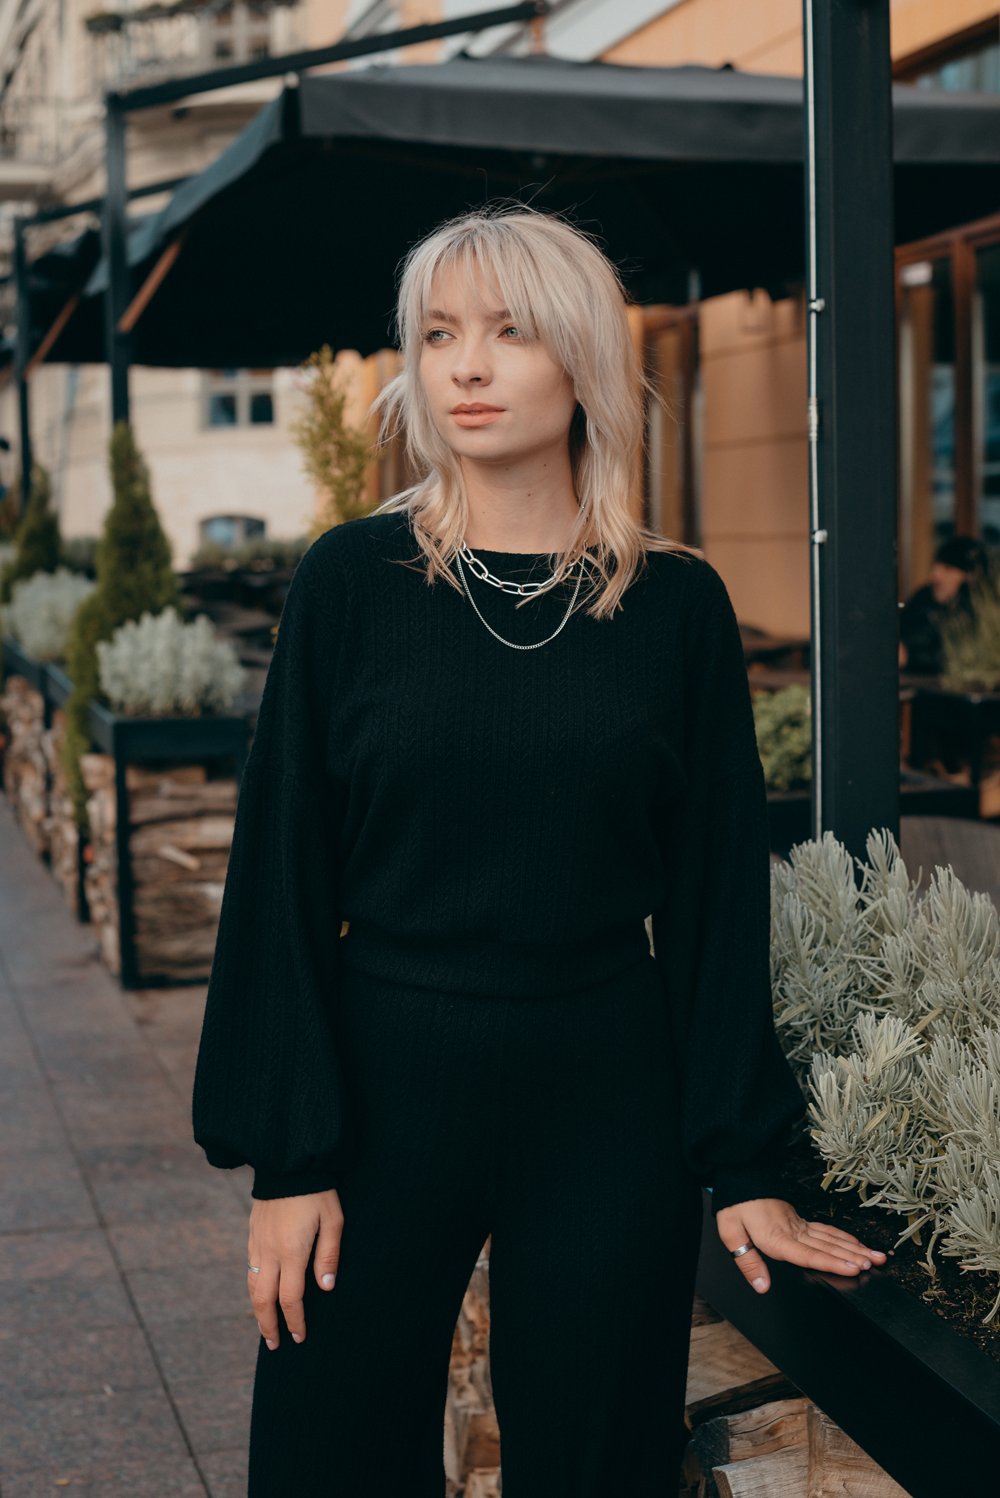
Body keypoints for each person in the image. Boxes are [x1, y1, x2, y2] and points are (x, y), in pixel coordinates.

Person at [193, 207, 885, 1496]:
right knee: (325, 1449)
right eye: (440, 334)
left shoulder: (675, 604)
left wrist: (743, 1160)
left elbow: (715, 891)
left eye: (508, 333)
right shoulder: (351, 582)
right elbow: (278, 869)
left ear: (580, 361)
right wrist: (287, 1159)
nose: (465, 365)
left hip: (604, 1082)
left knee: (597, 1458)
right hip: (384, 1066)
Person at [899, 535, 986, 675]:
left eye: (948, 568)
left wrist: (909, 657)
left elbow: (966, 658)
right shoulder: (924, 598)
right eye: (935, 567)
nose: (935, 576)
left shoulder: (983, 614)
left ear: (970, 576)